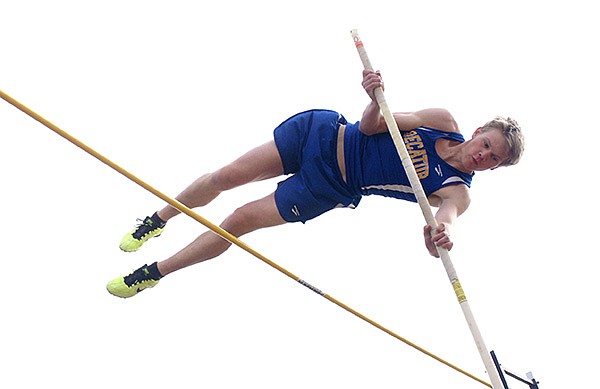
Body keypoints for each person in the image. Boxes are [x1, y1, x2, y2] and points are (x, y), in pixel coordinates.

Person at [107, 70, 524, 298]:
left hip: (327, 186)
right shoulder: (441, 121)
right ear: (477, 131)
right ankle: (158, 218)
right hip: (324, 134)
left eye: (493, 159)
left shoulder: (457, 190)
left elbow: (445, 221)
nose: (483, 155)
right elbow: (371, 124)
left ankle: (154, 273)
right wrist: (374, 96)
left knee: (236, 221)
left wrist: (440, 236)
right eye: (487, 144)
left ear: (494, 169)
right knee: (226, 176)